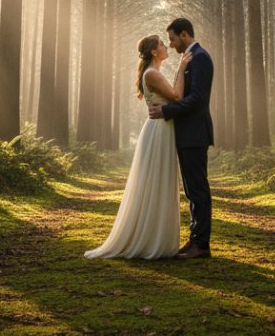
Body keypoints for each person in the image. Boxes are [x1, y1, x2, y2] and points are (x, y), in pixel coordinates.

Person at [84, 34, 191, 259]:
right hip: (159, 131)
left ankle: (157, 238)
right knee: (157, 181)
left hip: (161, 129)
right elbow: (177, 96)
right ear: (154, 51)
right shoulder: (152, 73)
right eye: (162, 44)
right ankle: (151, 240)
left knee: (159, 181)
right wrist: (181, 68)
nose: (165, 46)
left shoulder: (153, 72)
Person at [149, 17, 213, 260]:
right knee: (191, 190)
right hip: (188, 133)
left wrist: (166, 111)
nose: (171, 43)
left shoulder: (201, 58)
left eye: (173, 39)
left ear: (184, 35)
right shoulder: (191, 58)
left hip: (195, 132)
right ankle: (195, 239)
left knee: (198, 189)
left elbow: (197, 98)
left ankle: (201, 245)